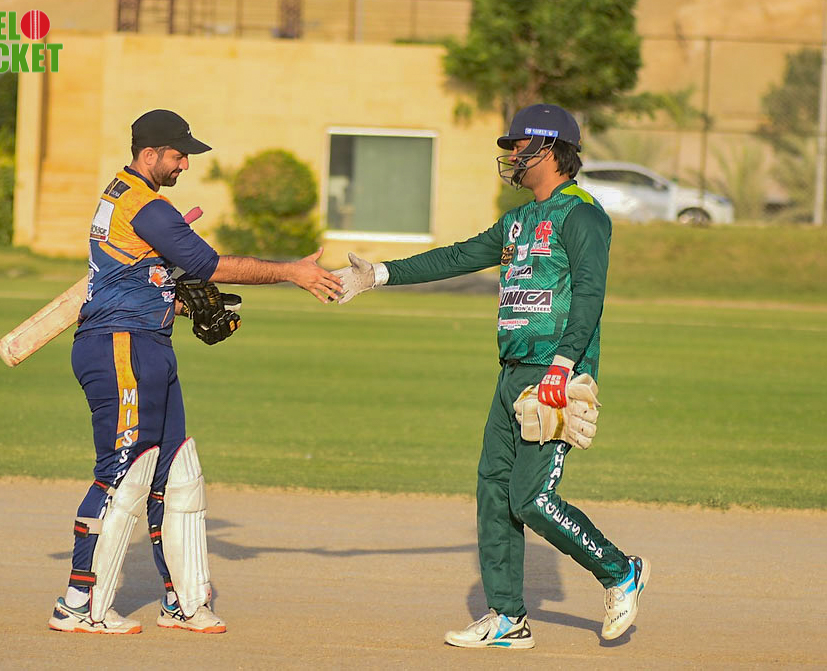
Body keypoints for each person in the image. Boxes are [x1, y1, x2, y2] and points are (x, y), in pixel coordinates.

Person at [332, 104, 648, 648]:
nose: (511, 157)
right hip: (512, 372)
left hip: (554, 372)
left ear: (548, 149)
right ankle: (508, 617)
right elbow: (458, 257)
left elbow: (590, 294)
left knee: (532, 499)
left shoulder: (582, 215)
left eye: (518, 147)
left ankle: (620, 571)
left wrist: (564, 365)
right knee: (495, 494)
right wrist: (379, 274)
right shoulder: (518, 220)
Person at [48, 109, 343, 635]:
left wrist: (184, 304)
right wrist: (291, 271)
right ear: (148, 154)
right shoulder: (146, 206)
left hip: (147, 342)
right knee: (123, 472)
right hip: (120, 347)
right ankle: (78, 604)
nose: (185, 164)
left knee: (177, 474)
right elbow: (211, 265)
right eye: (178, 154)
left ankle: (183, 603)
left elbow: (140, 274)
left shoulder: (126, 196)